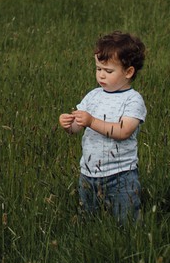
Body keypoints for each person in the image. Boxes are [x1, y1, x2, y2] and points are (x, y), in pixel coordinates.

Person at [59, 31, 147, 222]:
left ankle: (127, 244)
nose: (101, 75)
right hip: (89, 173)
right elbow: (76, 128)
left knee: (127, 221)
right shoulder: (93, 96)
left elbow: (123, 131)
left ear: (128, 72)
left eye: (108, 71)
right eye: (98, 69)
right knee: (89, 219)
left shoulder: (133, 100)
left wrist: (92, 121)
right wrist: (68, 124)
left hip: (121, 175)